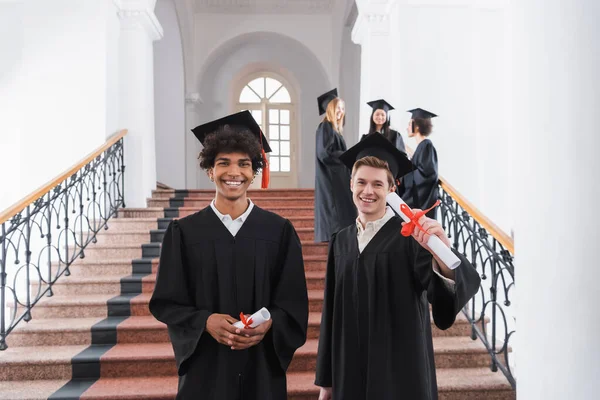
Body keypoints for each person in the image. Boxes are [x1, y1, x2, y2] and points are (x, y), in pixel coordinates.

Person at [149, 111, 309, 400]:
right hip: (206, 371)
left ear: (254, 171)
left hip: (261, 368)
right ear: (210, 170)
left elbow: (293, 302)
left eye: (243, 164)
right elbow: (166, 303)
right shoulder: (184, 233)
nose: (234, 172)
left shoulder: (279, 231)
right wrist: (205, 322)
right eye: (223, 163)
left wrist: (270, 323)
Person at [315, 133, 481, 400]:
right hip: (349, 370)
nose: (368, 191)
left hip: (399, 371)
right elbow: (330, 314)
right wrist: (326, 382)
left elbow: (445, 294)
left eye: (378, 184)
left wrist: (441, 252)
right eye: (362, 182)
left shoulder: (411, 237)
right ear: (351, 184)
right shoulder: (340, 240)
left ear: (392, 190)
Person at [314, 88, 356, 243]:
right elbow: (325, 153)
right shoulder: (325, 127)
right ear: (330, 109)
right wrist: (347, 156)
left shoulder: (335, 131)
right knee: (336, 224)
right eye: (338, 108)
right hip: (331, 183)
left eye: (343, 109)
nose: (341, 112)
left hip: (338, 180)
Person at [400, 107, 439, 219]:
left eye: (409, 124)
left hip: (420, 202)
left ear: (416, 126)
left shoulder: (427, 146)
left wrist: (407, 174)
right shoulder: (421, 147)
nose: (407, 128)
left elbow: (427, 175)